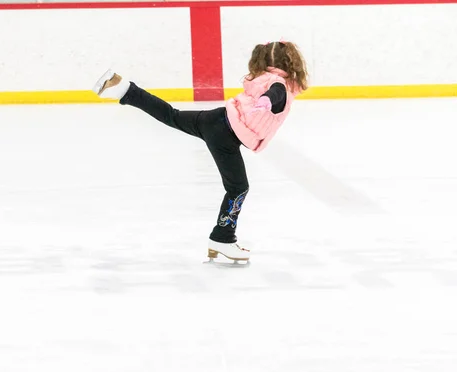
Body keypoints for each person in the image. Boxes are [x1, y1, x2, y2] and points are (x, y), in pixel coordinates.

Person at [92, 41, 308, 262]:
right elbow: (276, 93)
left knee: (172, 115)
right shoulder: (279, 83)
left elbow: (275, 92)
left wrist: (265, 99)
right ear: (290, 62)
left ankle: (123, 88)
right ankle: (222, 238)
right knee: (238, 187)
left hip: (216, 119)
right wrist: (267, 100)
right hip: (225, 135)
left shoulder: (263, 79)